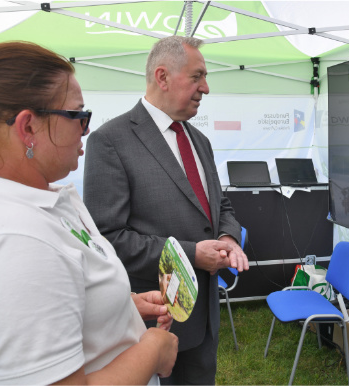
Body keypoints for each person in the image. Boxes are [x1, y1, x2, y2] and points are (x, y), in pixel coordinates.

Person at [0, 41, 178, 385]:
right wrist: (153, 350)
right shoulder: (12, 241)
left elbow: (50, 293)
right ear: (28, 127)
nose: (85, 128)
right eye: (78, 115)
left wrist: (115, 303)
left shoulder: (31, 201)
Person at [83, 35, 249, 385]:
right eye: (197, 76)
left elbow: (221, 204)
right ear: (162, 77)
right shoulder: (110, 141)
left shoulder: (198, 140)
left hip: (204, 314)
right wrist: (192, 255)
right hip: (152, 323)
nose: (206, 87)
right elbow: (108, 239)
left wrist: (227, 236)